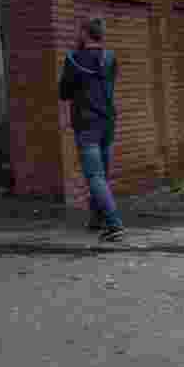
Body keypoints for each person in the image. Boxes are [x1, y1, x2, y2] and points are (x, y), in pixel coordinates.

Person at [58, 16, 125, 242]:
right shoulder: (110, 58)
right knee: (102, 174)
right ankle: (97, 219)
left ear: (85, 33)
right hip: (107, 122)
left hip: (86, 125)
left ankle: (114, 224)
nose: (77, 35)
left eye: (79, 31)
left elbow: (64, 93)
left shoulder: (73, 59)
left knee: (95, 176)